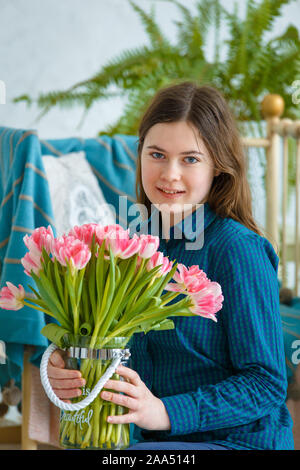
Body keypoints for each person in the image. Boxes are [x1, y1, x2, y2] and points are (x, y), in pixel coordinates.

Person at [48, 81, 294, 450]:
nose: (170, 174)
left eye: (190, 159)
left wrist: (164, 412)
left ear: (218, 168)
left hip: (237, 442)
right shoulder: (133, 245)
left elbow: (266, 382)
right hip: (154, 442)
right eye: (157, 154)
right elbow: (114, 344)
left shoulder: (237, 249)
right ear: (141, 154)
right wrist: (67, 362)